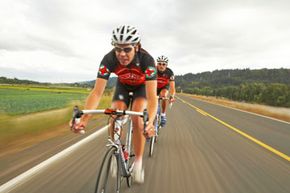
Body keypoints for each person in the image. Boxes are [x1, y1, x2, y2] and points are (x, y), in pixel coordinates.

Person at [71, 25, 157, 183]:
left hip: (141, 89)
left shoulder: (147, 60)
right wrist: (84, 119)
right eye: (118, 49)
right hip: (122, 86)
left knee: (138, 119)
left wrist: (150, 122)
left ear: (137, 47)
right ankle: (118, 151)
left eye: (127, 49)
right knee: (114, 114)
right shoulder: (108, 59)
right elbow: (97, 92)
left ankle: (138, 163)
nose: (122, 54)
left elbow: (152, 98)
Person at [156, 55, 176, 127]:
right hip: (153, 87)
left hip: (163, 87)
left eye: (163, 64)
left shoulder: (169, 72)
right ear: (157, 64)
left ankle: (163, 115)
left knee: (164, 96)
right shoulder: (153, 70)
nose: (161, 66)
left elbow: (172, 87)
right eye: (159, 64)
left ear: (166, 65)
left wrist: (172, 96)